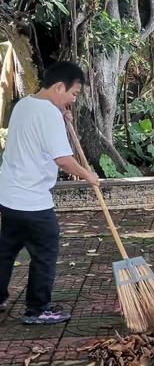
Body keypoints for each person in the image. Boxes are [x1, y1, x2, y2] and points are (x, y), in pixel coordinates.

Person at [0, 61, 99, 324]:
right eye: (73, 94)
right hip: (32, 200)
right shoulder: (49, 115)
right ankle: (38, 309)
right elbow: (63, 159)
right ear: (58, 87)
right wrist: (89, 175)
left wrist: (62, 120)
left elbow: (36, 137)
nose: (73, 100)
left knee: (6, 249)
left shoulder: (24, 104)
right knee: (45, 252)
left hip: (8, 195)